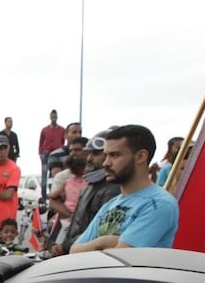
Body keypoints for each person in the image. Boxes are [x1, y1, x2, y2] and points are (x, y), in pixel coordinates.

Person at [71, 124, 180, 252]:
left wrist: (94, 247)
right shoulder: (111, 204)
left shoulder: (159, 203)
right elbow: (74, 250)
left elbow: (122, 254)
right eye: (106, 155)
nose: (106, 163)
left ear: (141, 156)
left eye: (115, 155)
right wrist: (103, 242)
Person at [51, 131, 122, 256]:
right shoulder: (88, 185)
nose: (89, 158)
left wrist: (65, 247)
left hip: (90, 257)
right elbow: (75, 224)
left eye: (96, 153)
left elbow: (100, 231)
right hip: (76, 252)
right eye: (89, 153)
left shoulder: (114, 189)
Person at [39, 109, 65, 197]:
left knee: (55, 175)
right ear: (50, 117)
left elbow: (62, 141)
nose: (53, 118)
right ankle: (43, 196)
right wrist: (40, 154)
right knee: (44, 175)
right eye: (52, 116)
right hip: (46, 154)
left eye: (55, 116)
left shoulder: (62, 130)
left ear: (57, 117)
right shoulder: (44, 130)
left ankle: (52, 194)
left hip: (57, 155)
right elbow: (41, 142)